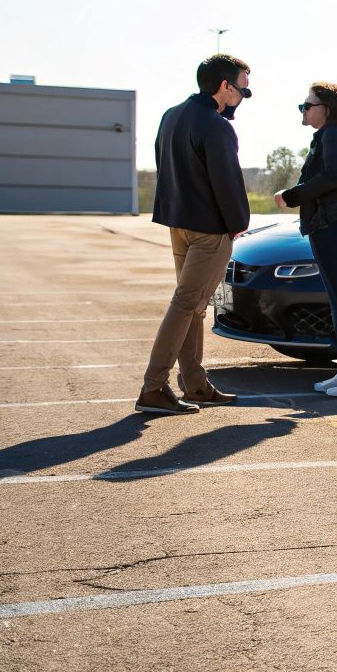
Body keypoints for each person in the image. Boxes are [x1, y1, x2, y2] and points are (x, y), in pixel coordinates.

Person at [136, 54, 253, 415]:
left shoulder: (171, 116)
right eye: (243, 91)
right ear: (224, 86)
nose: (243, 99)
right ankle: (154, 387)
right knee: (187, 305)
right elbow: (227, 183)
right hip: (209, 231)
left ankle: (196, 384)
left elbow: (164, 166)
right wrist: (238, 223)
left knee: (194, 307)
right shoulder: (217, 127)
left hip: (179, 225)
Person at [276, 83, 337, 396]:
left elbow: (334, 176)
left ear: (327, 108)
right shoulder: (330, 135)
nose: (303, 111)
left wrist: (292, 195)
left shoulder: (333, 134)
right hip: (332, 222)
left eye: (307, 105)